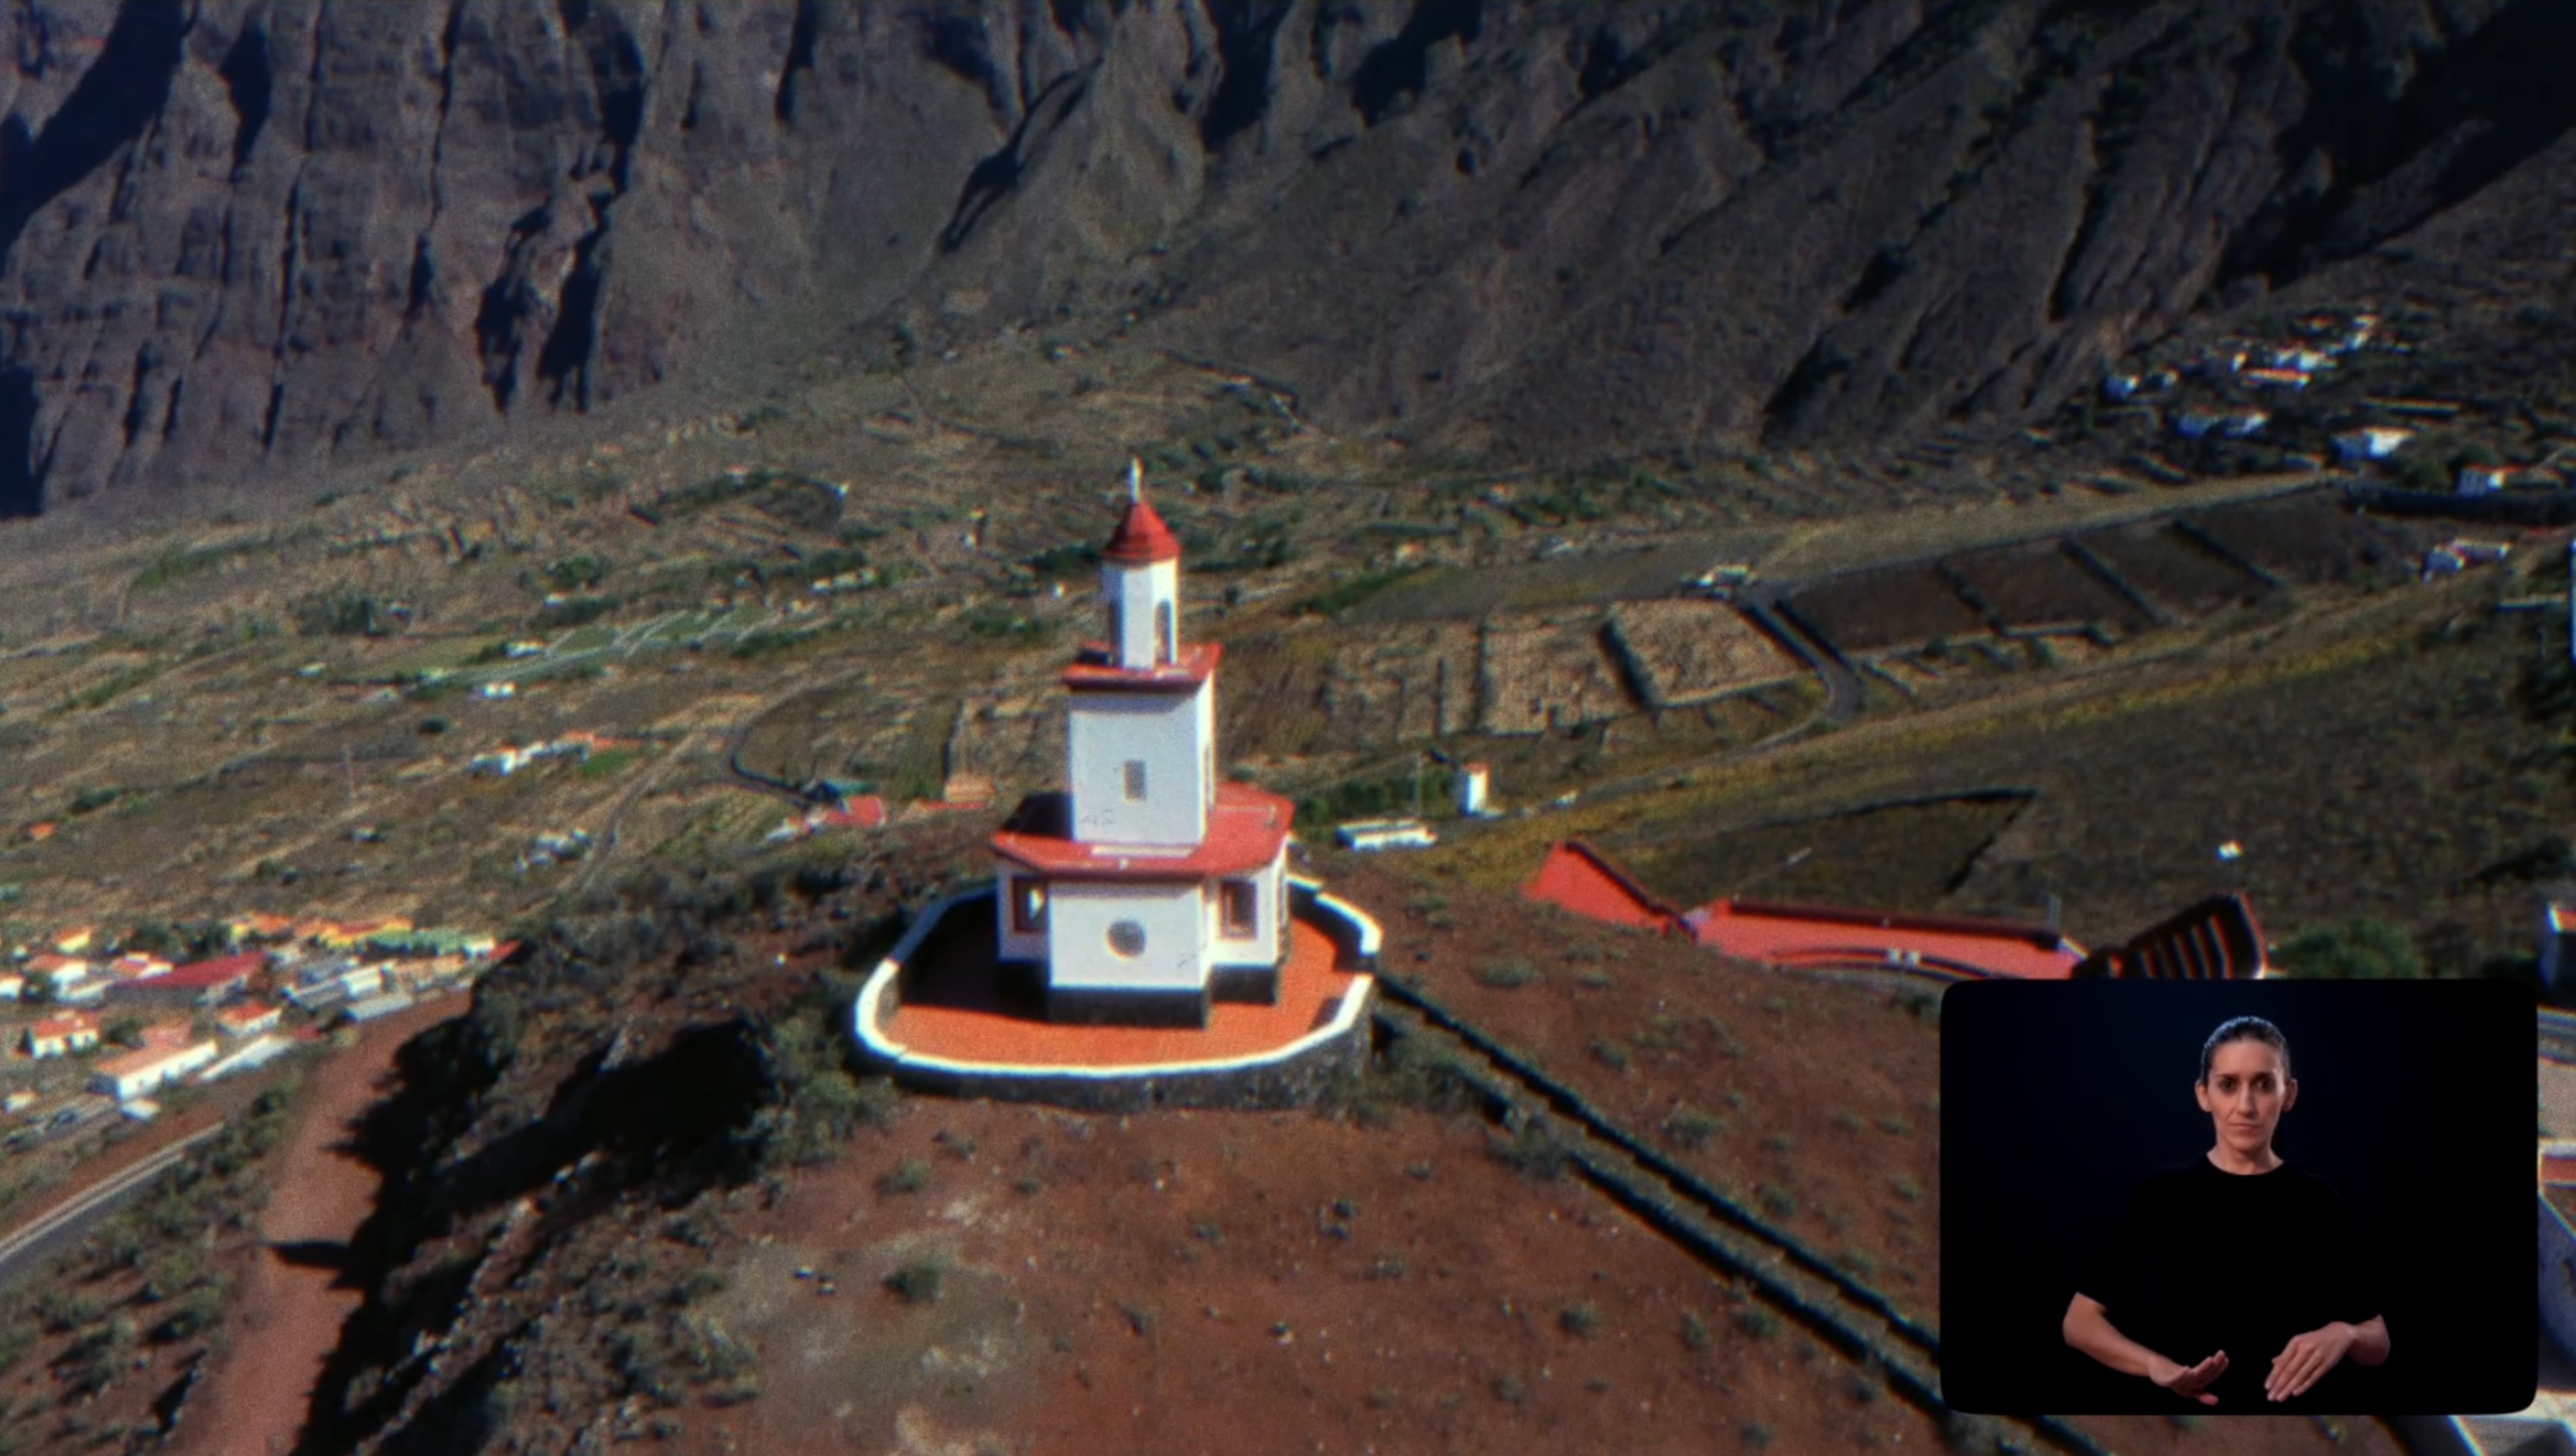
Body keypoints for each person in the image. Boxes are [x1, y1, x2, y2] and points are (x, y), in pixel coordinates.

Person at [2060, 1015, 2391, 1409]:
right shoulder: (2163, 1193)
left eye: (2264, 1085)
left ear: (2289, 1094)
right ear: (2204, 1094)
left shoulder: (2317, 1200)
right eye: (2228, 1085)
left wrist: (2345, 1334)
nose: (2245, 1106)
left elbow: (2379, 1343)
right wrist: (2154, 1365)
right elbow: (2079, 1323)